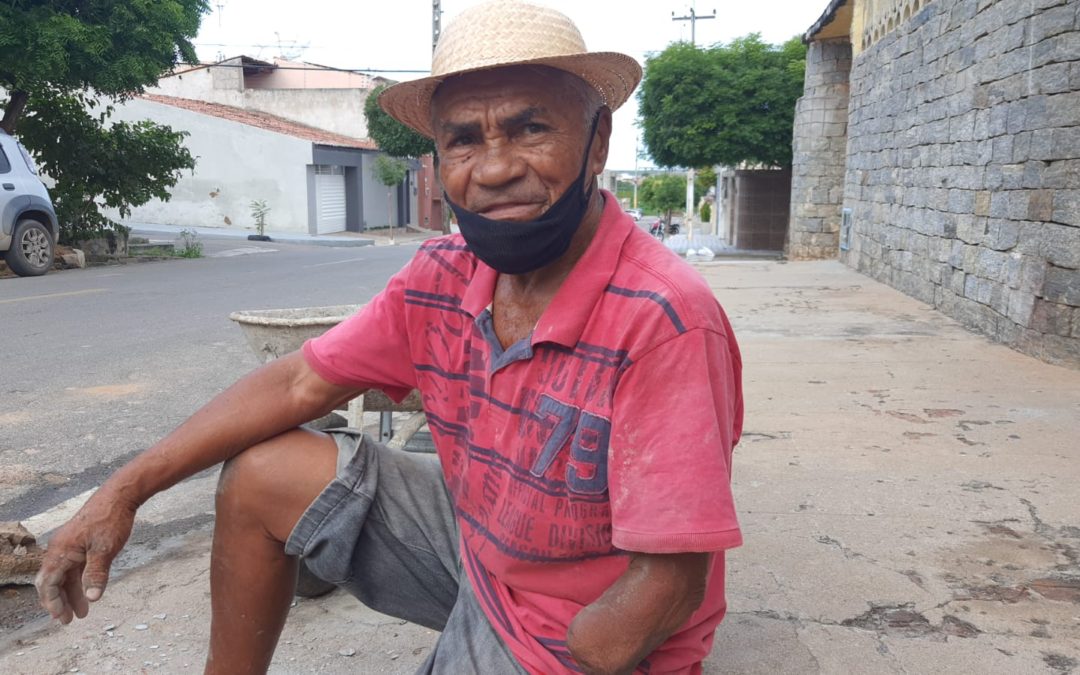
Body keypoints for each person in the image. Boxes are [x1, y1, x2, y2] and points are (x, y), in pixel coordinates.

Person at [35, 1, 744, 672]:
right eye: (464, 139)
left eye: (532, 129)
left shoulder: (664, 318)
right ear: (437, 158)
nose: (494, 168)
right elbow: (298, 382)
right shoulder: (442, 275)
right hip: (478, 544)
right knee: (262, 473)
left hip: (583, 621)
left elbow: (668, 579)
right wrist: (122, 492)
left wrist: (555, 653)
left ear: (598, 144)